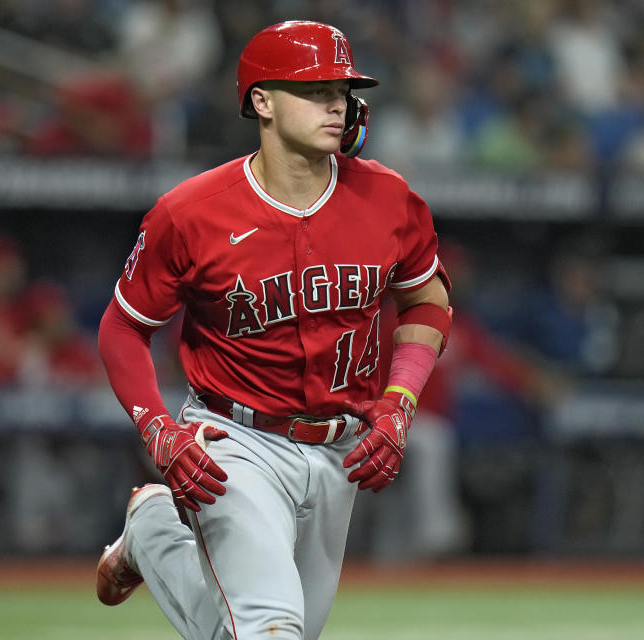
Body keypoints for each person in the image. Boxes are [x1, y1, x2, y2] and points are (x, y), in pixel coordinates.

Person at [93, 20, 451, 639]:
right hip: (234, 440)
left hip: (341, 447)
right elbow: (123, 328)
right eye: (313, 91)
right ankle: (158, 528)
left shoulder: (390, 199)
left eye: (340, 89)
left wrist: (399, 404)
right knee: (268, 628)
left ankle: (153, 535)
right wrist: (158, 431)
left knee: (250, 631)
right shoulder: (191, 212)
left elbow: (427, 300)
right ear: (261, 101)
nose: (334, 103)